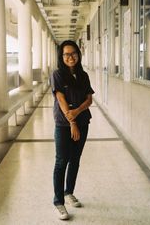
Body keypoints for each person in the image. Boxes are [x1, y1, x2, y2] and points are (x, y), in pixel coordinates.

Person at [50, 40, 94, 220]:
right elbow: (61, 99)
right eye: (66, 54)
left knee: (75, 160)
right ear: (61, 57)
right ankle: (58, 201)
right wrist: (72, 122)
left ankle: (69, 193)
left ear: (78, 54)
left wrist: (77, 112)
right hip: (63, 124)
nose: (70, 57)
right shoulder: (57, 75)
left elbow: (89, 100)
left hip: (83, 121)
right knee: (62, 161)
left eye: (73, 53)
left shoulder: (83, 75)